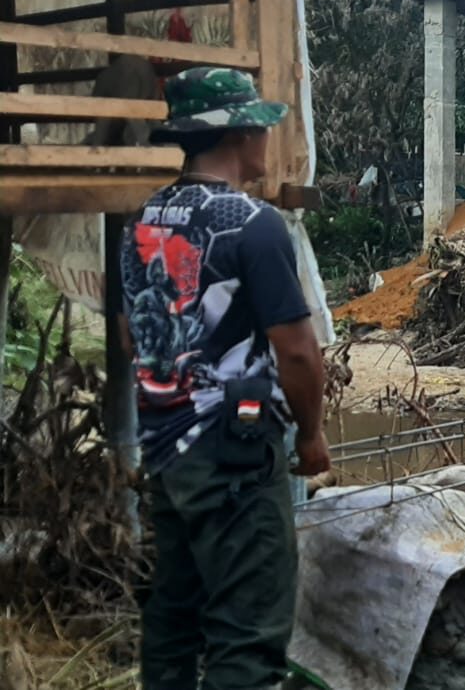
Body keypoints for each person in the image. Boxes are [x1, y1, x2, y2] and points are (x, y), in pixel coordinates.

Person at [122, 67, 329, 690]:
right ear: (241, 136)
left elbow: (130, 333)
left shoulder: (144, 219)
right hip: (232, 454)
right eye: (260, 131)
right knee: (247, 630)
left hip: (164, 446)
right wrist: (311, 438)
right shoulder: (252, 224)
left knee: (172, 617)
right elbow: (296, 352)